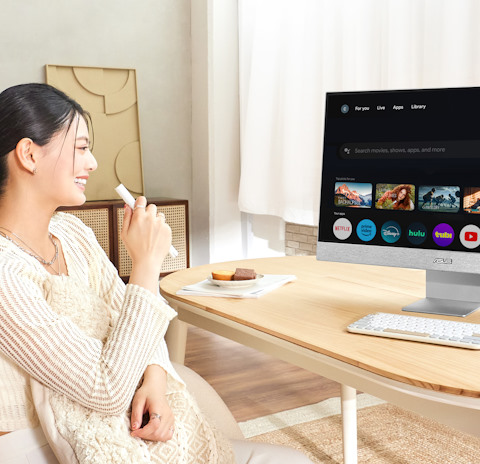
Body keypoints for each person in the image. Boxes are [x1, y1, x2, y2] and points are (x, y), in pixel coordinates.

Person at [0, 84, 311, 464]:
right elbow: (105, 388)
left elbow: (136, 325)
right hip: (37, 442)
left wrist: (157, 380)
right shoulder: (5, 272)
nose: (93, 162)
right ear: (29, 155)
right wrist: (145, 265)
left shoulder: (73, 234)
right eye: (81, 148)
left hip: (118, 422)